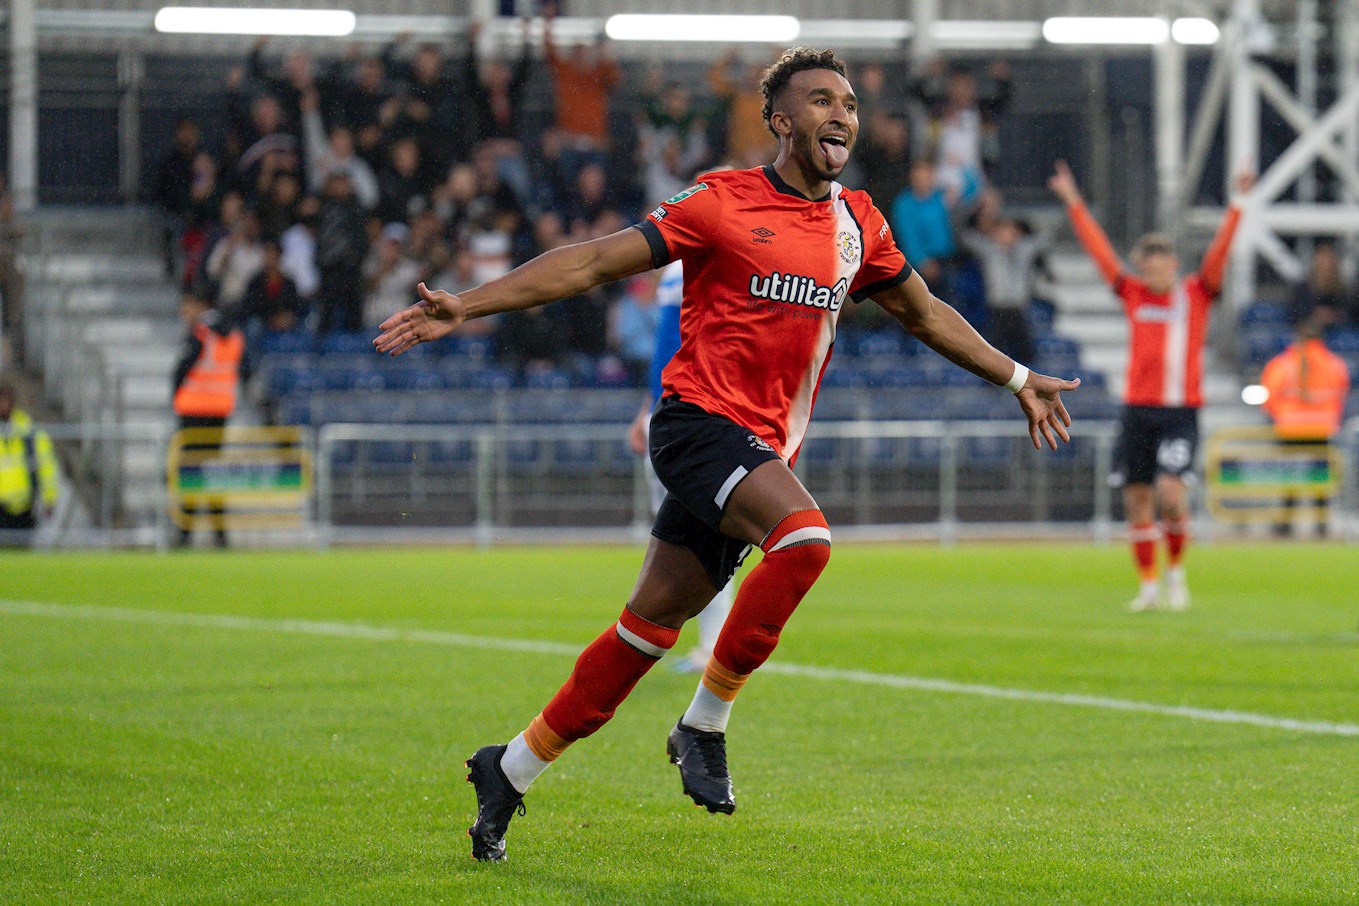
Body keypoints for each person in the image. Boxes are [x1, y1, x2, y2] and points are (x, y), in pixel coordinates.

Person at [374, 47, 1078, 863]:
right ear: (779, 120)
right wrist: (470, 304)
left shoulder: (859, 224)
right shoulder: (721, 200)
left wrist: (1017, 376)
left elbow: (924, 314)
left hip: (756, 446)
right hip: (697, 426)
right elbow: (598, 259)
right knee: (806, 539)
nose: (840, 113)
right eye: (819, 100)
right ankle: (703, 725)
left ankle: (511, 768)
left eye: (847, 101)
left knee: (646, 631)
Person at [1049, 159, 1252, 612]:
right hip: (1137, 410)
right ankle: (1148, 586)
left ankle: (1177, 574)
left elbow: (1219, 253)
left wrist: (1237, 204)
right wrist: (1074, 203)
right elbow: (1102, 253)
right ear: (1142, 268)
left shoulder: (1197, 294)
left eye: (1162, 265)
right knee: (1137, 500)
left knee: (1171, 495)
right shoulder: (1135, 294)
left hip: (1181, 412)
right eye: (1148, 266)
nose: (1156, 273)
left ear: (1174, 265)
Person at [626, 258, 734, 673]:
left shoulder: (711, 254)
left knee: (703, 531)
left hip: (693, 414)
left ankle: (709, 645)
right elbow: (669, 348)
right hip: (666, 412)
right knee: (676, 531)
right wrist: (646, 410)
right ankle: (682, 639)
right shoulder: (680, 259)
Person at [1259, 318, 1351, 536]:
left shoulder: (1282, 364)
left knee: (1290, 476)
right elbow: (1342, 393)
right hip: (1322, 429)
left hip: (1290, 429)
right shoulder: (1334, 364)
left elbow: (1269, 396)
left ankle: (1285, 524)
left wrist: (1282, 415)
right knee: (1320, 477)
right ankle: (1321, 524)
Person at [172, 291, 250, 548]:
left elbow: (181, 370)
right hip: (220, 412)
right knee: (214, 473)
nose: (185, 314)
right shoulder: (234, 335)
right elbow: (243, 370)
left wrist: (175, 397)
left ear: (200, 303)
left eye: (187, 307)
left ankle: (185, 533)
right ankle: (220, 534)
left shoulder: (201, 333)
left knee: (192, 472)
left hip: (193, 411)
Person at [0, 383, 59, 548]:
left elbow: (46, 467)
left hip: (25, 504)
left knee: (22, 553)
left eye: (4, 400)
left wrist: (49, 497)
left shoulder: (29, 431)